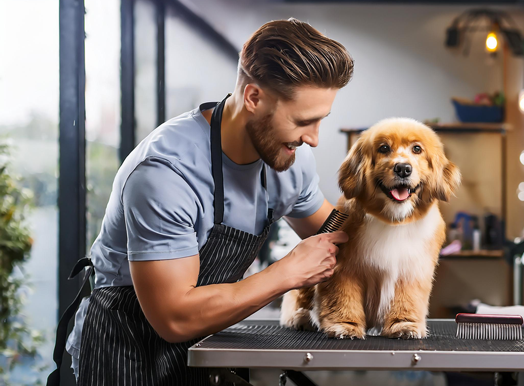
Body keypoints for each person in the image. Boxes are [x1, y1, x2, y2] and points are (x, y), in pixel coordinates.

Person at [48, 18, 353, 385]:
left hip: (203, 341)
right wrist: (287, 273)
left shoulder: (289, 160)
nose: (315, 139)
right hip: (124, 345)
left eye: (321, 120)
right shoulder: (165, 174)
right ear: (254, 98)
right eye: (304, 121)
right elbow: (174, 318)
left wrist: (397, 216)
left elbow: (335, 234)